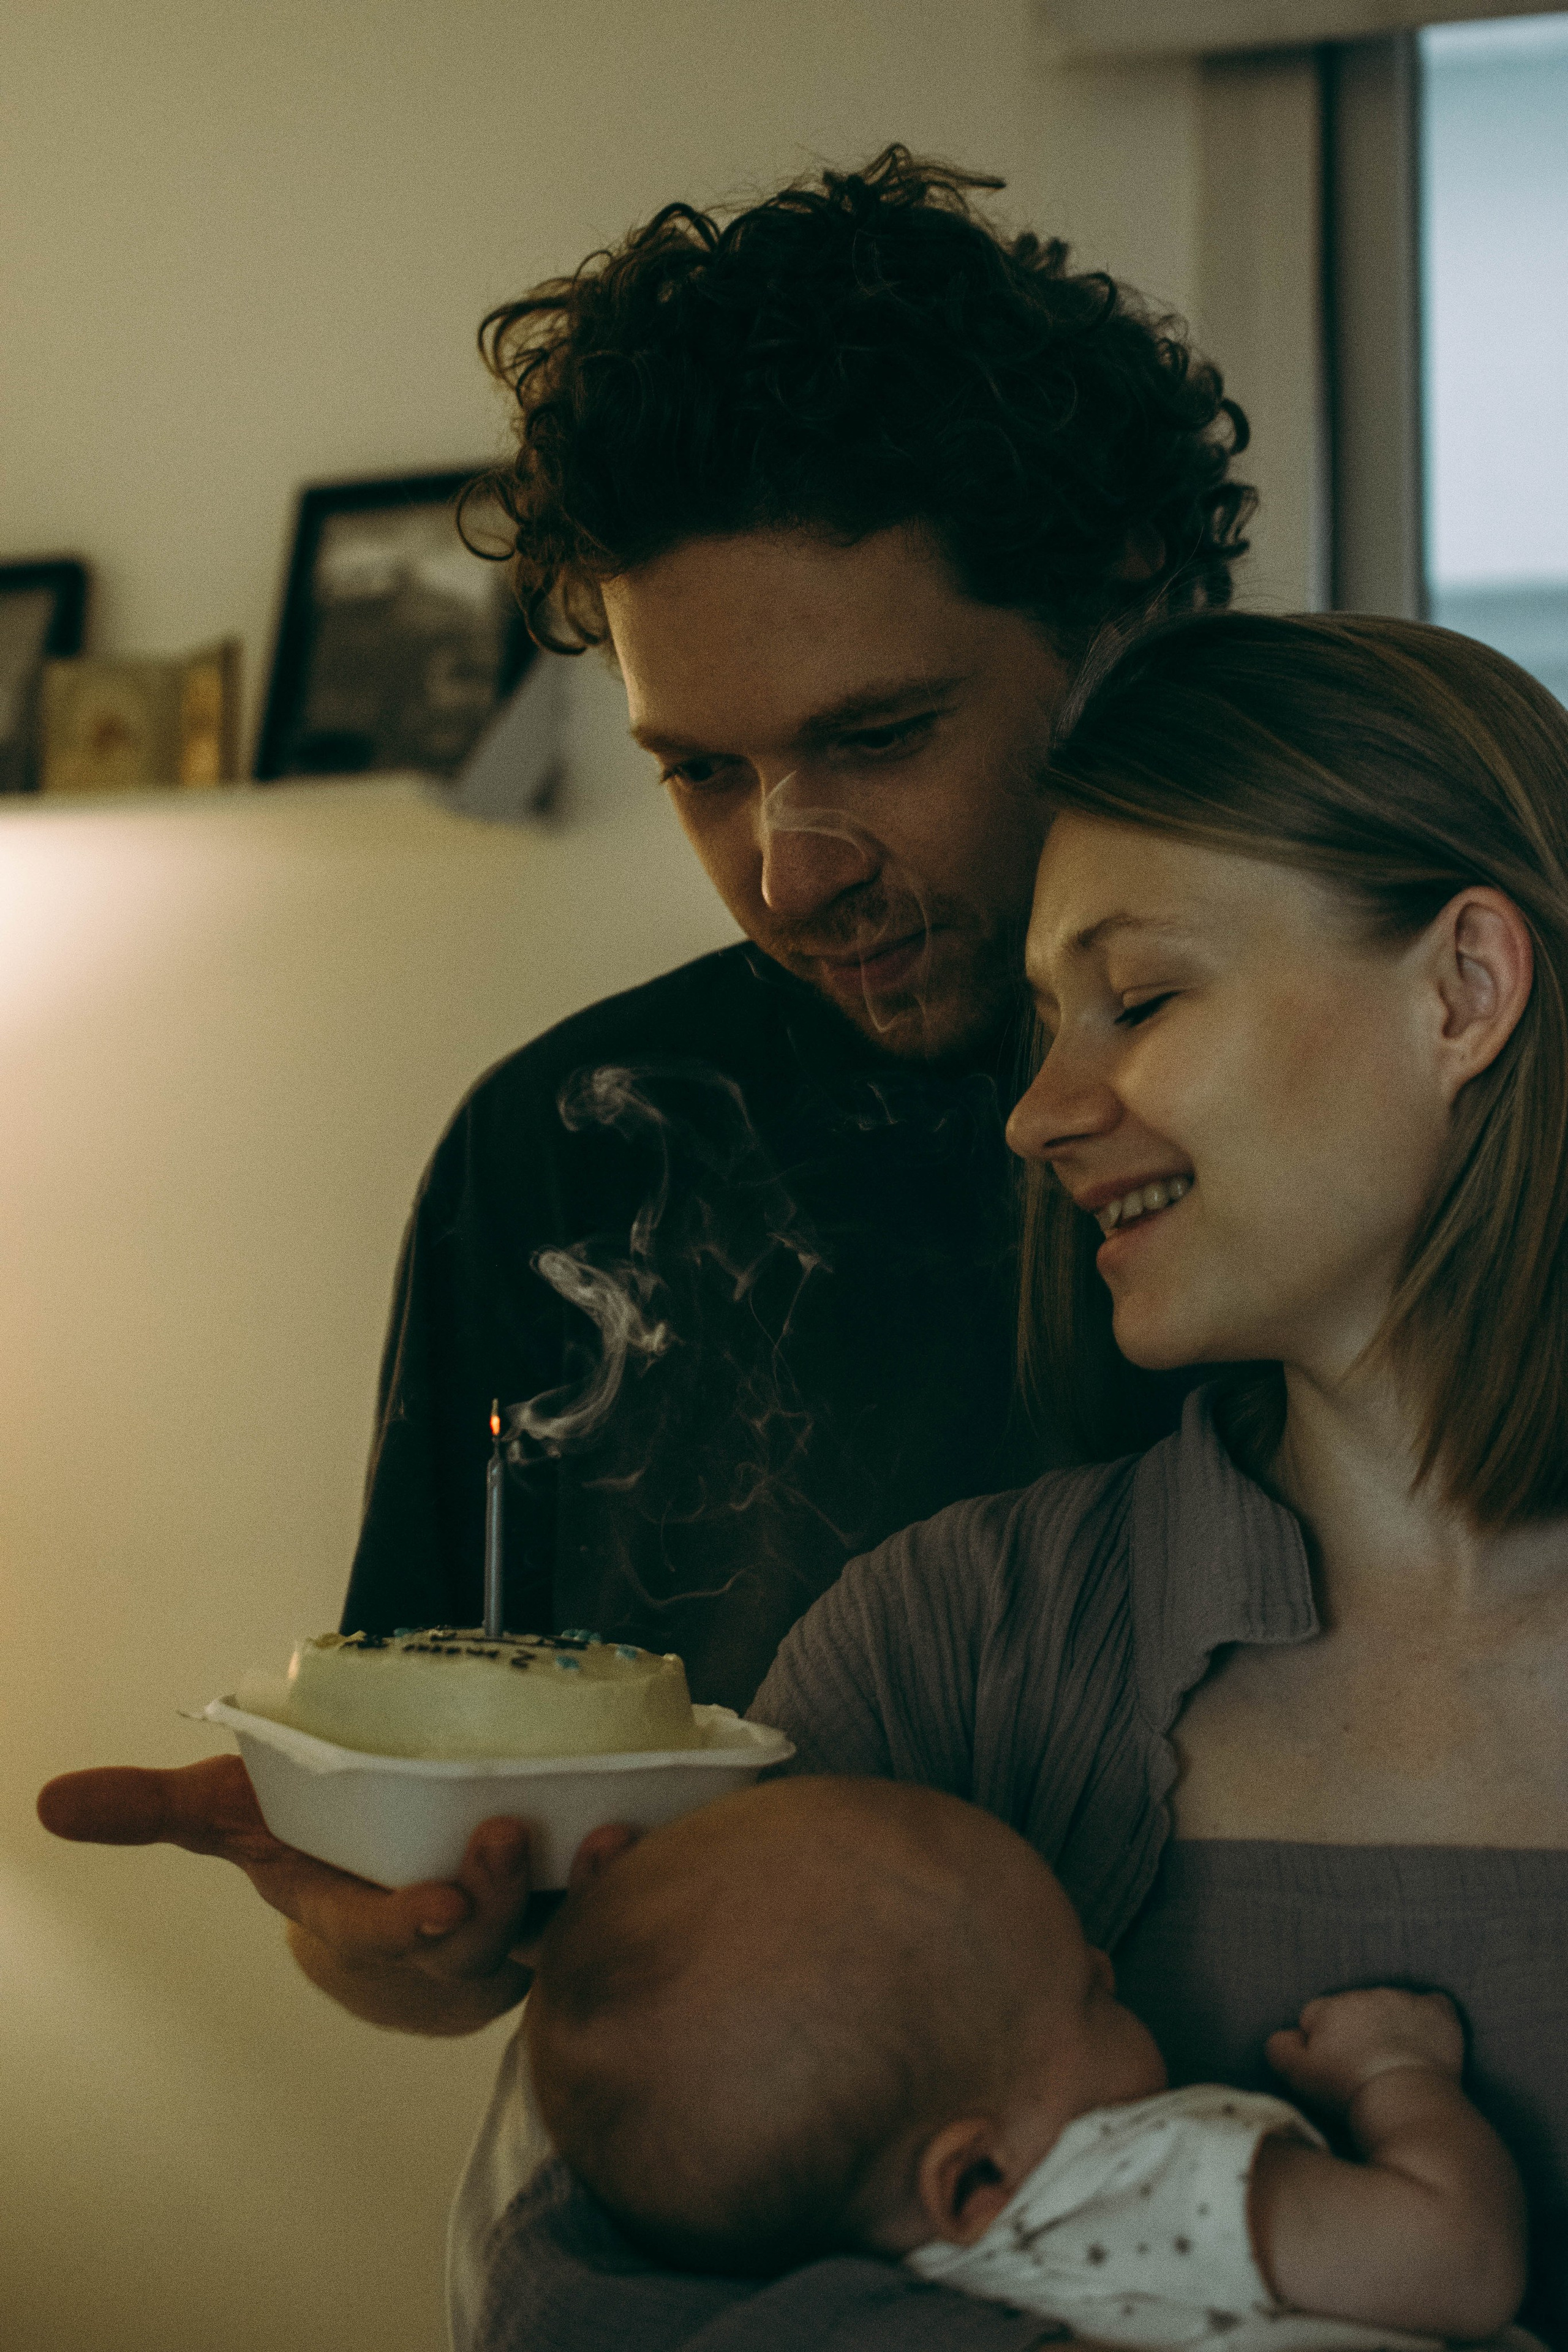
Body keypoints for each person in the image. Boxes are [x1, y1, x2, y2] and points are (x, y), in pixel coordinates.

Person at [39, 146, 1250, 2031]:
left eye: (879, 735)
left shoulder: (1379, 1100)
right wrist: (385, 1932)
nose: (789, 870)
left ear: (1124, 623)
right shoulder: (563, 1145)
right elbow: (437, 1939)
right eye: (699, 771)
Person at [466, 612, 1568, 2351]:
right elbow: (566, 2296)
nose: (1036, 1114)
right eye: (1050, 1022)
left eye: (1141, 1000)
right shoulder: (947, 1648)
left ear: (1466, 989)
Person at [528, 1777, 1528, 2350]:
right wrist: (1398, 2076)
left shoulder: (885, 2287)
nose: (1108, 1964)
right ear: (976, 2174)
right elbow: (1463, 2264)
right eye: (1089, 1994)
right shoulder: (1136, 2184)